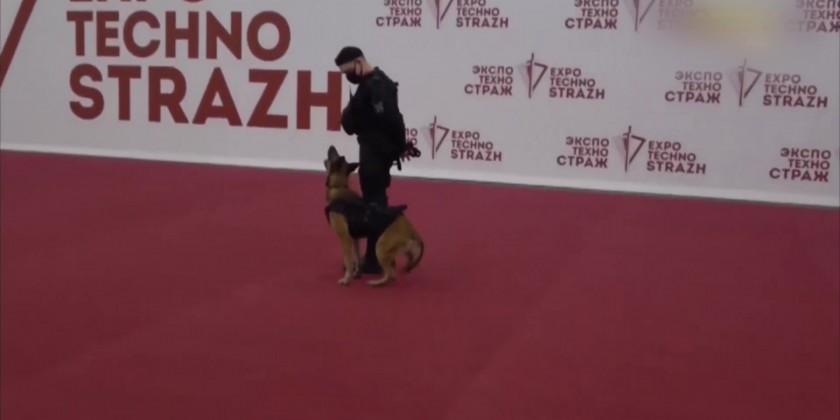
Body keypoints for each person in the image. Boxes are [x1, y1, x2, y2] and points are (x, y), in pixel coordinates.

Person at [334, 46, 420, 274]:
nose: (347, 76)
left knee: (375, 206)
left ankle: (377, 258)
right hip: (373, 152)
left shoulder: (377, 86)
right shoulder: (371, 84)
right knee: (374, 204)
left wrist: (398, 147)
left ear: (359, 62)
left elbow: (393, 120)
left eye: (348, 71)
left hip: (376, 154)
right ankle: (376, 256)